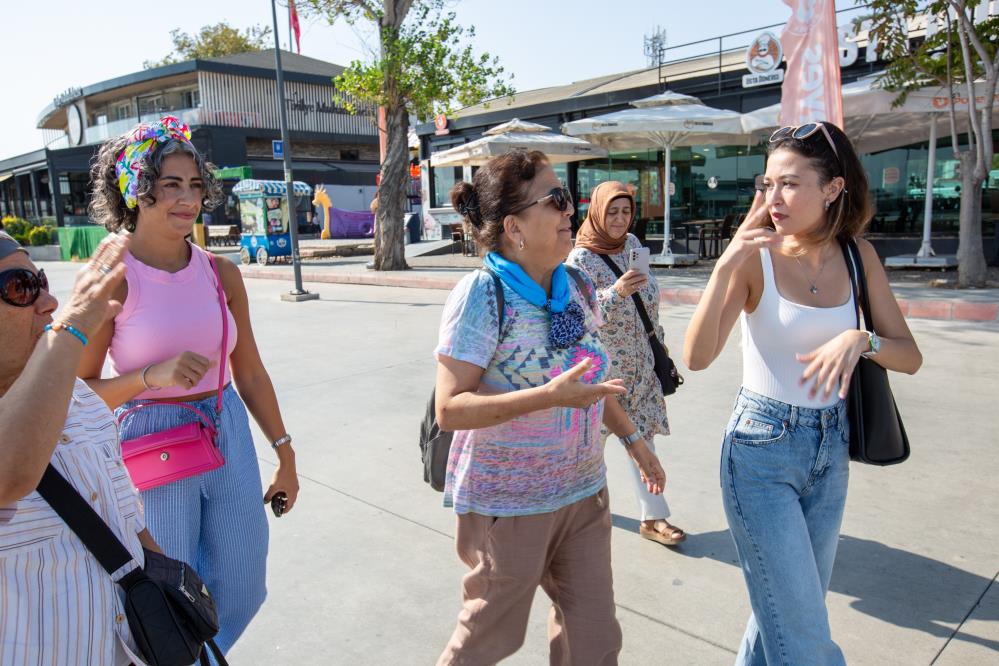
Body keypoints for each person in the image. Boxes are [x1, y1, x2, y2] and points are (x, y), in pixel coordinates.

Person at [684, 121, 922, 665]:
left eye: (789, 183)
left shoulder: (858, 256)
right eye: (767, 185)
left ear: (833, 188)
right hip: (759, 452)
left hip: (830, 449)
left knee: (786, 611)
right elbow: (697, 357)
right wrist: (725, 265)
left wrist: (861, 339)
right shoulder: (754, 258)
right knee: (807, 637)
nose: (773, 197)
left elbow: (909, 356)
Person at [78, 116, 300, 657]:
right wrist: (147, 378)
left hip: (225, 428)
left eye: (195, 185)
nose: (187, 198)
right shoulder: (114, 274)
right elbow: (79, 394)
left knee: (243, 580)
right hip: (152, 437)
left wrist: (284, 451)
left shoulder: (219, 272)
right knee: (172, 583)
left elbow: (248, 370)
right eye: (170, 184)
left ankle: (195, 657)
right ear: (137, 188)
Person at [434, 149, 666, 665]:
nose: (571, 211)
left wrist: (632, 440)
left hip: (582, 494)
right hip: (509, 503)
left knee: (595, 641)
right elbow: (450, 408)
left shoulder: (576, 284)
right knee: (483, 643)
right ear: (515, 226)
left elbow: (592, 378)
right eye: (557, 199)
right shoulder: (482, 294)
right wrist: (545, 398)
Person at [0, 231, 162, 664]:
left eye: (43, 283)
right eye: (20, 288)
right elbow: (9, 473)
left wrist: (174, 600)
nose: (48, 304)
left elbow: (126, 519)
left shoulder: (81, 398)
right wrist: (69, 330)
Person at [567, 181, 686, 546]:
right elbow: (576, 317)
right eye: (612, 212)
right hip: (603, 374)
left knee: (643, 443)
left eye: (626, 211)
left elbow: (649, 301)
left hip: (641, 366)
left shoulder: (634, 247)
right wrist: (615, 293)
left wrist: (657, 348)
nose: (620, 220)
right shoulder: (579, 260)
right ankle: (571, 516)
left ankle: (654, 517)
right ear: (598, 212)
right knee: (589, 449)